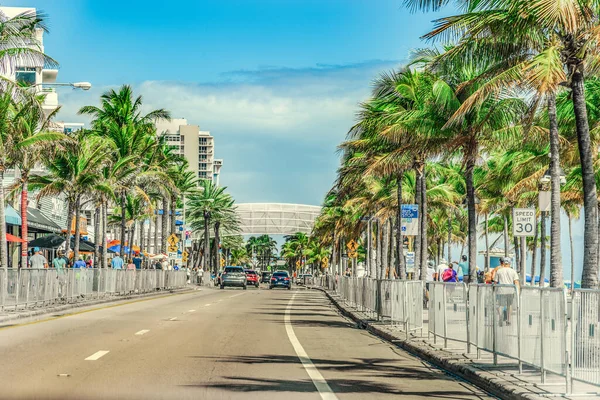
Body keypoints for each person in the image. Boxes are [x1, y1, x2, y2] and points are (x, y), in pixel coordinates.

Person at [493, 257, 520, 326]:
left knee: (500, 305)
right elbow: (516, 282)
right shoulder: (513, 271)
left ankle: (500, 318)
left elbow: (495, 282)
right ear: (510, 263)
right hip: (510, 291)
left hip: (501, 290)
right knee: (509, 305)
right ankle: (508, 320)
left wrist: (494, 290)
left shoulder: (499, 271)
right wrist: (518, 292)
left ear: (504, 263)